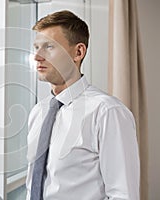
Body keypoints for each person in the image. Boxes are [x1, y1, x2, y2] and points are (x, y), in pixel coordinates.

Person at [26, 10, 140, 200]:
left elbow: (123, 195)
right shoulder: (38, 112)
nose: (37, 56)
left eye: (49, 47)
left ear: (78, 52)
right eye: (36, 47)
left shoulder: (107, 112)